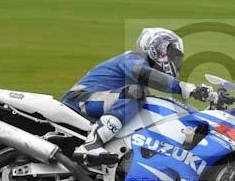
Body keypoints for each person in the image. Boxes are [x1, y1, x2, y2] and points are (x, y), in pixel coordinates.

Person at [62, 28, 217, 160]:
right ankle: (91, 144)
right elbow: (142, 73)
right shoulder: (134, 58)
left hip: (100, 99)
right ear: (157, 48)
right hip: (80, 99)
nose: (175, 60)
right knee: (135, 94)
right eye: (172, 54)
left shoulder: (140, 76)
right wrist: (186, 88)